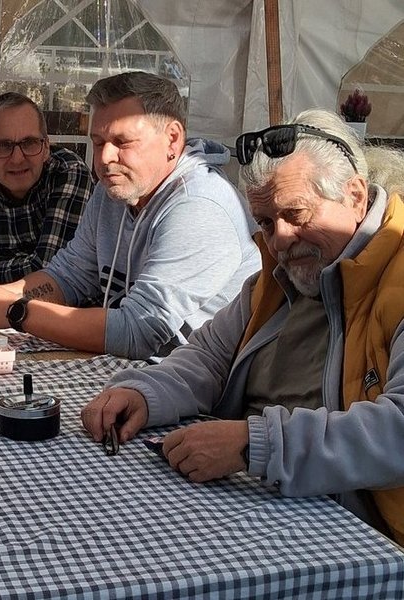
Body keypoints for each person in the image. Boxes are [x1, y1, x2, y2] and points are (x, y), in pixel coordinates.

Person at [80, 109, 404, 545]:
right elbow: (207, 358)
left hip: (367, 537)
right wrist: (142, 392)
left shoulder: (397, 278)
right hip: (258, 503)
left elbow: (397, 431)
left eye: (296, 213)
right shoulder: (279, 279)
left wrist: (253, 444)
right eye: (266, 222)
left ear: (355, 196)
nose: (281, 238)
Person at [0, 72, 260, 360]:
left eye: (122, 142)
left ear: (172, 140)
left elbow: (139, 331)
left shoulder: (199, 205)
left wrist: (15, 310)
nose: (104, 158)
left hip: (205, 380)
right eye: (98, 142)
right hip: (140, 368)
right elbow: (68, 276)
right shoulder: (115, 189)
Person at [0, 92, 94, 283]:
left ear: (46, 147)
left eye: (29, 143)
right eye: (4, 146)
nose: (17, 158)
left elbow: (51, 271)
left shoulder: (68, 171)